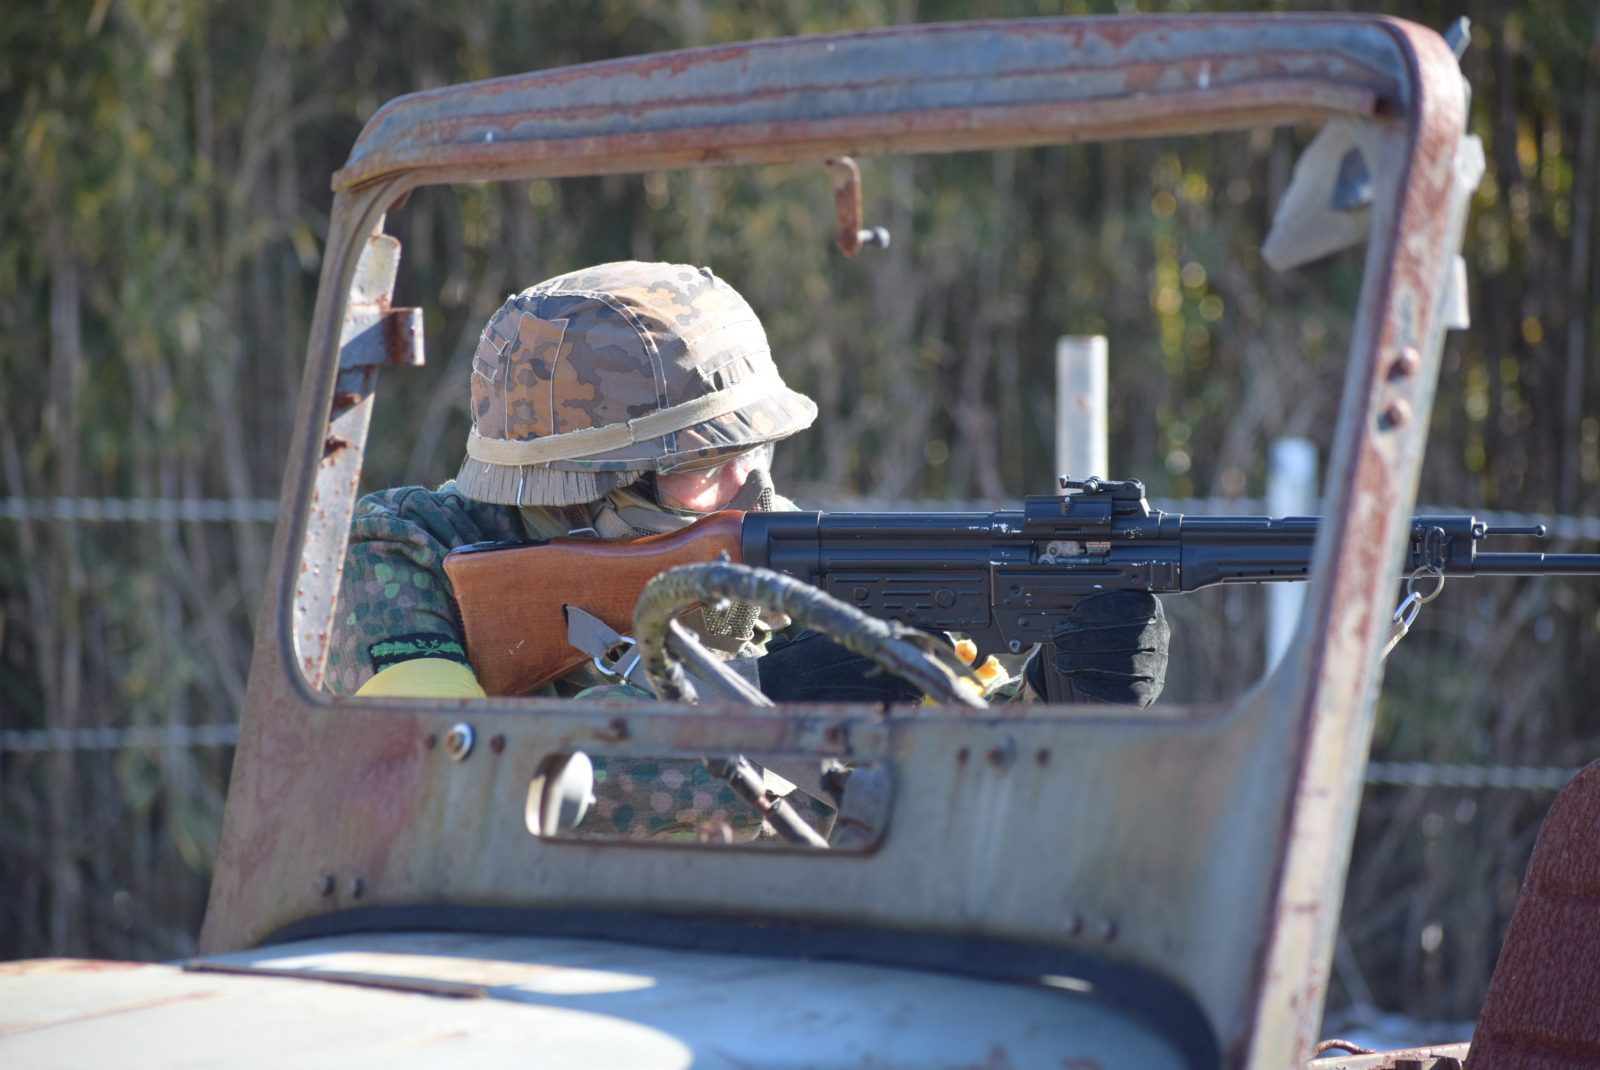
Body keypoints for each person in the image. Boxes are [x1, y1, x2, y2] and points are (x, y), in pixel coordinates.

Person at [326, 260, 1167, 832]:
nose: (751, 488)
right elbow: (448, 791)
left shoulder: (777, 560)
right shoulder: (406, 550)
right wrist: (769, 706)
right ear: (582, 484)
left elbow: (966, 798)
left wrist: (1059, 709)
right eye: (706, 466)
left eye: (755, 450)